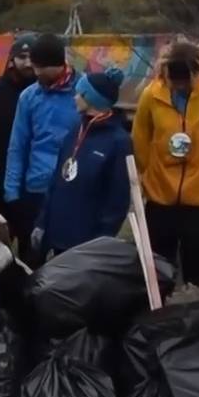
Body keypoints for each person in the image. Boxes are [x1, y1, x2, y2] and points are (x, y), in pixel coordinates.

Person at [130, 39, 199, 287]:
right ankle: (160, 317)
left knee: (198, 268)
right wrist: (150, 175)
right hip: (159, 197)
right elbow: (141, 139)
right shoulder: (151, 95)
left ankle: (197, 316)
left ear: (196, 73)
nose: (178, 85)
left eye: (184, 80)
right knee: (157, 267)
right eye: (173, 79)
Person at [31, 67, 131, 258]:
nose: (74, 97)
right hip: (57, 235)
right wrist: (42, 223)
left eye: (79, 93)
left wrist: (101, 241)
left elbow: (118, 200)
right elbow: (56, 181)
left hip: (87, 242)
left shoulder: (119, 142)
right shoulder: (75, 130)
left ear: (91, 98)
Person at [4, 33, 80, 266]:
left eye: (41, 68)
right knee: (31, 258)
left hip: (72, 188)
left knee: (68, 259)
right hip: (36, 188)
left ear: (58, 65)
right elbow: (18, 146)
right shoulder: (29, 97)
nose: (35, 73)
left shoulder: (82, 93)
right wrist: (12, 190)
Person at [0, 35, 36, 231]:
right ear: (12, 59)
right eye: (22, 57)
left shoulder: (42, 93)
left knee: (30, 245)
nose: (28, 63)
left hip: (31, 179)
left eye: (32, 57)